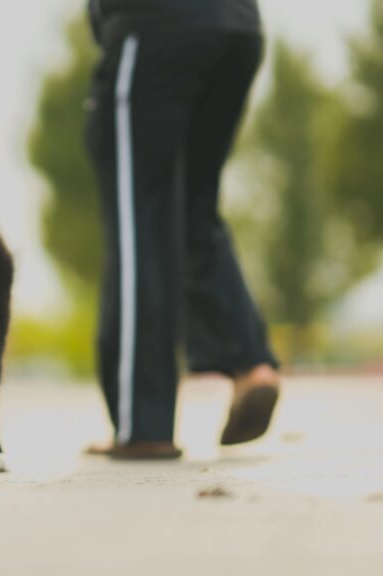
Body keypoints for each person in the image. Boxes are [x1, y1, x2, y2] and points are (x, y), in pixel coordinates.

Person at [84, 0, 280, 459]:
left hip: (154, 27)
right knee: (194, 211)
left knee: (139, 220)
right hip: (237, 29)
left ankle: (143, 424)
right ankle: (250, 364)